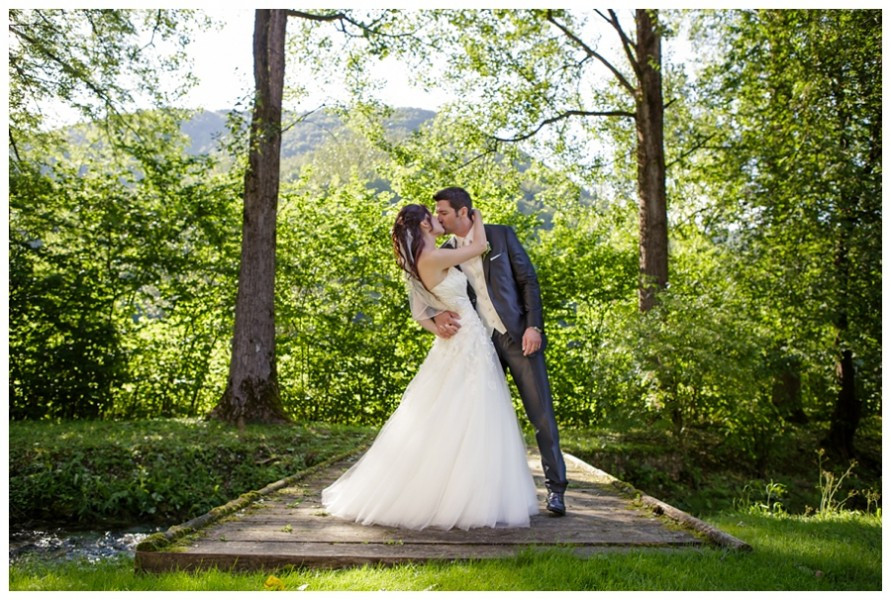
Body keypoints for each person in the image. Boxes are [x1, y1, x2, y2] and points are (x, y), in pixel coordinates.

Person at [321, 204, 538, 530]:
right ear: (423, 224)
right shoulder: (432, 258)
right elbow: (480, 247)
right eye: (433, 217)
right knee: (469, 413)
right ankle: (459, 497)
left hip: (465, 340)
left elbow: (420, 304)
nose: (439, 221)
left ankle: (477, 491)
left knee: (464, 413)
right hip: (465, 342)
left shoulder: (428, 257)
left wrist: (434, 320)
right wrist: (476, 216)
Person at [422, 186, 568, 516]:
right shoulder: (444, 252)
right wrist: (436, 316)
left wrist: (534, 326)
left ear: (463, 212)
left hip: (517, 336)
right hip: (478, 345)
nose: (440, 217)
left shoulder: (500, 236)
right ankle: (488, 494)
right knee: (483, 420)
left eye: (444, 211)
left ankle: (556, 490)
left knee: (541, 413)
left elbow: (528, 280)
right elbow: (430, 293)